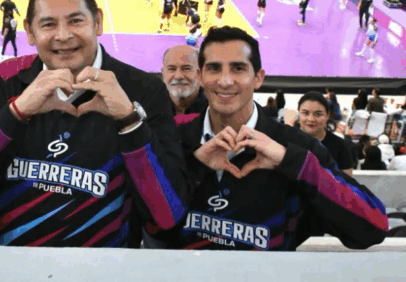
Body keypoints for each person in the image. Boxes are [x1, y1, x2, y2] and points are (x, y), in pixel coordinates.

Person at [0, 0, 189, 248]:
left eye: (76, 21)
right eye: (48, 24)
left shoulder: (144, 89)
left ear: (98, 22)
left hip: (103, 269)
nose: (63, 36)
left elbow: (167, 216)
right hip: (16, 266)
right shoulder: (10, 78)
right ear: (29, 31)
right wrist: (16, 112)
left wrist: (129, 122)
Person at [153, 26, 387, 250]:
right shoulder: (173, 138)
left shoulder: (298, 148)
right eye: (214, 68)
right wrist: (194, 167)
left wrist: (293, 163)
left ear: (258, 78)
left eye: (238, 68)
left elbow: (372, 228)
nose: (225, 80)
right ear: (200, 76)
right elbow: (153, 229)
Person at [297, 92, 354, 175]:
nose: (311, 119)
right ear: (298, 114)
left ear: (327, 116)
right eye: (305, 113)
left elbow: (347, 182)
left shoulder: (340, 146)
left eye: (318, 114)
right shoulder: (286, 142)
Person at [162, 45, 207, 118]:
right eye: (171, 69)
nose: (178, 76)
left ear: (200, 73)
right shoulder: (150, 108)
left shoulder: (214, 109)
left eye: (186, 69)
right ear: (163, 73)